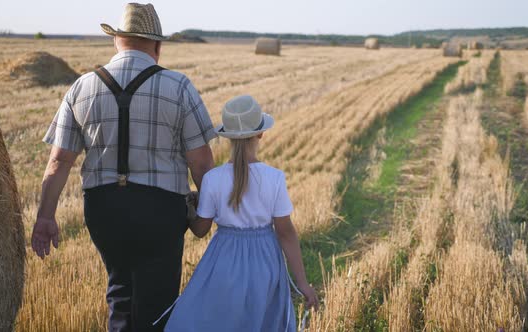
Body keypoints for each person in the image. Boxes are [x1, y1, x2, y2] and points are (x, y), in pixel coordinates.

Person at [31, 3, 215, 331]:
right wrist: (208, 213)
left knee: (120, 293)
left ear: (116, 40)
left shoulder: (81, 87)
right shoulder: (179, 87)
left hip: (103, 209)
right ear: (157, 45)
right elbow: (201, 162)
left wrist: (45, 216)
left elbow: (58, 161)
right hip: (160, 210)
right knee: (156, 306)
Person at [163, 95, 318, 331]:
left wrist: (192, 205)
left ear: (227, 137)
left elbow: (200, 230)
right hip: (265, 261)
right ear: (260, 133)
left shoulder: (213, 179)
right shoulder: (274, 178)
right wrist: (303, 283)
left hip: (223, 259)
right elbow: (286, 234)